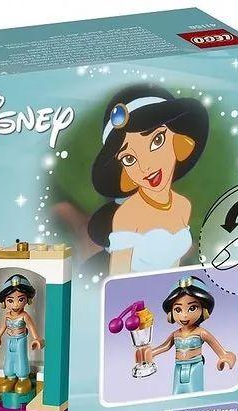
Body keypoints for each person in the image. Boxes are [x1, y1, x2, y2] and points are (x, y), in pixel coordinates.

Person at [88, 85, 209, 274]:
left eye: (157, 140)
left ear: (178, 139)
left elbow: (172, 268)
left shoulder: (183, 206)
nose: (146, 166)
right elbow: (118, 280)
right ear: (124, 173)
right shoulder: (127, 216)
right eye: (129, 159)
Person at [139, 276, 236, 394]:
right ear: (171, 312)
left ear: (204, 309)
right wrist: (150, 353)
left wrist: (225, 357)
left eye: (192, 308)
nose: (184, 315)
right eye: (178, 310)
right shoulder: (175, 334)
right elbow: (165, 346)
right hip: (178, 367)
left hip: (195, 366)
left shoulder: (201, 332)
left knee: (195, 393)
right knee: (176, 393)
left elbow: (222, 351)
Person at [0, 274, 44, 394]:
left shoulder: (24, 316)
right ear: (4, 302)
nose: (16, 304)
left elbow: (31, 326)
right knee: (9, 358)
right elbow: (3, 327)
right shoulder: (7, 315)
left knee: (21, 357)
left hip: (20, 339)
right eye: (10, 301)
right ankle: (10, 377)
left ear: (27, 299)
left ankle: (23, 378)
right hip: (10, 339)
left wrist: (36, 339)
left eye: (20, 299)